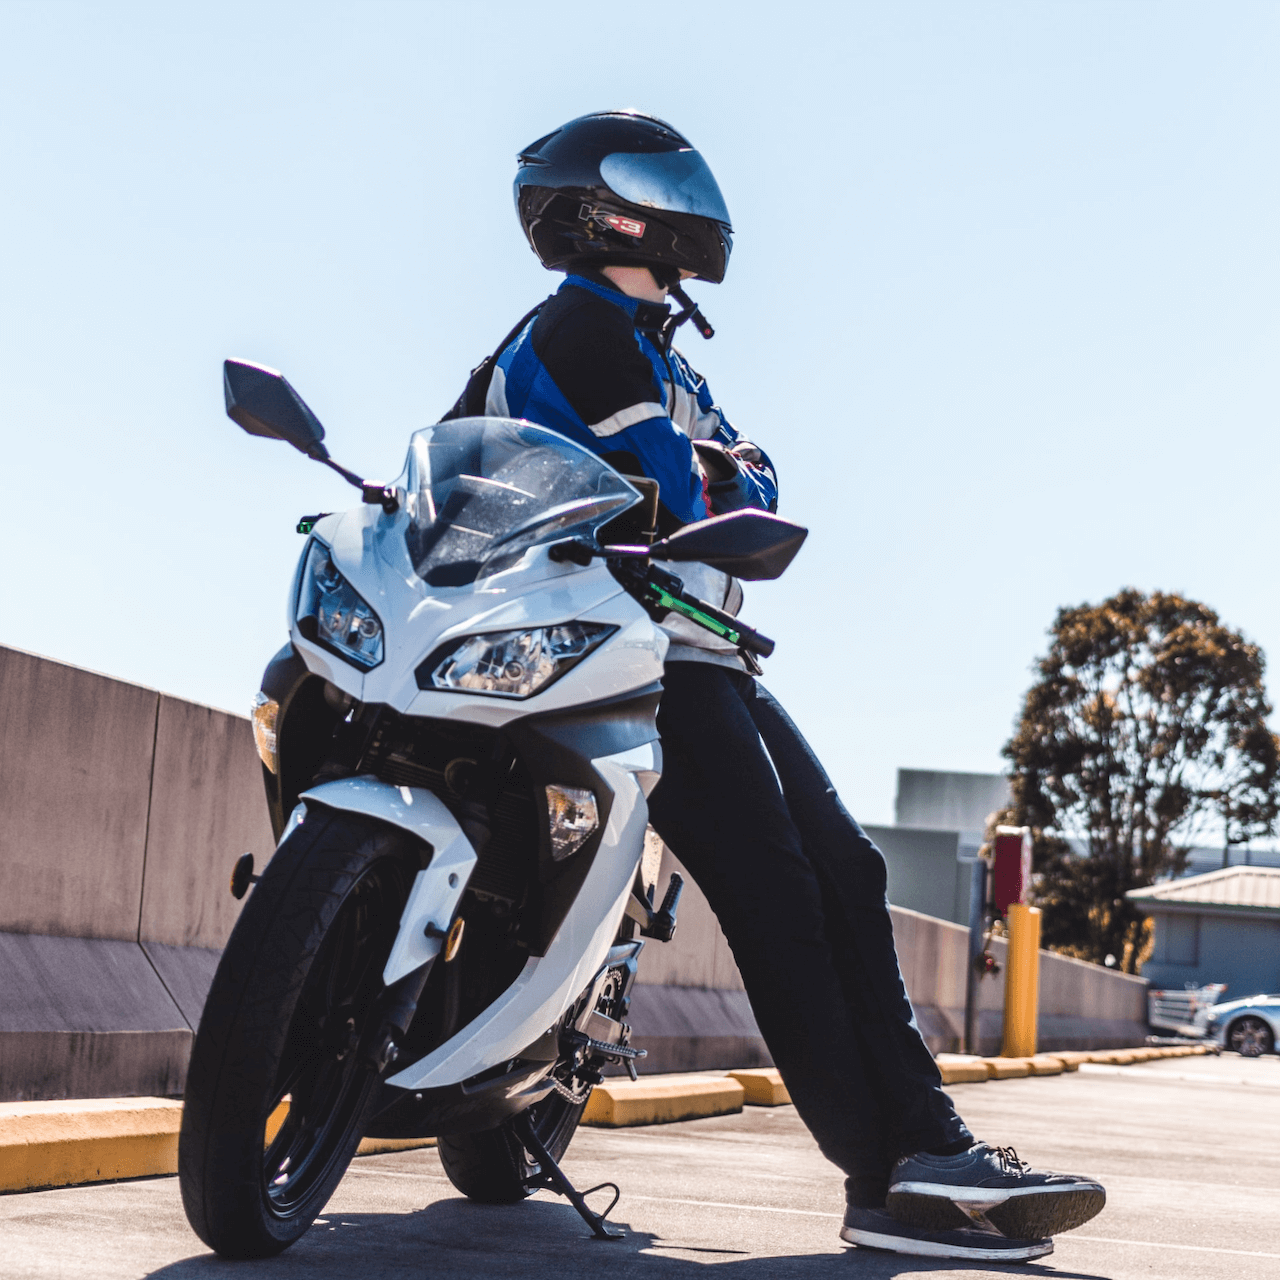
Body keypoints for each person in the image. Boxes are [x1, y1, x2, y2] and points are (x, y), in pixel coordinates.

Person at [458, 109, 1106, 1262]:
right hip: (627, 657)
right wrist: (708, 472)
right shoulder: (579, 330)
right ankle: (892, 1167)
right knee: (778, 898)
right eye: (662, 190)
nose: (692, 211)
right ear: (607, 210)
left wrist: (714, 468)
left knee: (842, 870)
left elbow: (751, 470)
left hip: (693, 651)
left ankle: (921, 1143)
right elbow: (676, 489)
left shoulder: (656, 348)